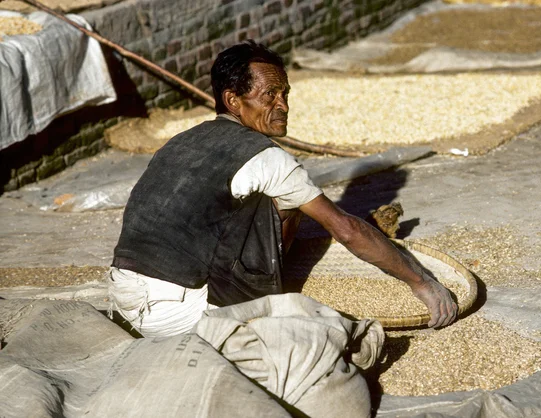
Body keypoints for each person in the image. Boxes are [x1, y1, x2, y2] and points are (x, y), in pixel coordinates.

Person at [107, 40, 458, 338]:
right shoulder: (266, 158)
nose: (283, 106)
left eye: (285, 93)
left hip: (123, 294)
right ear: (233, 100)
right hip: (178, 314)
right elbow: (347, 229)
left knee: (284, 202)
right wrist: (423, 283)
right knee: (330, 339)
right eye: (269, 95)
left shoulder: (181, 141)